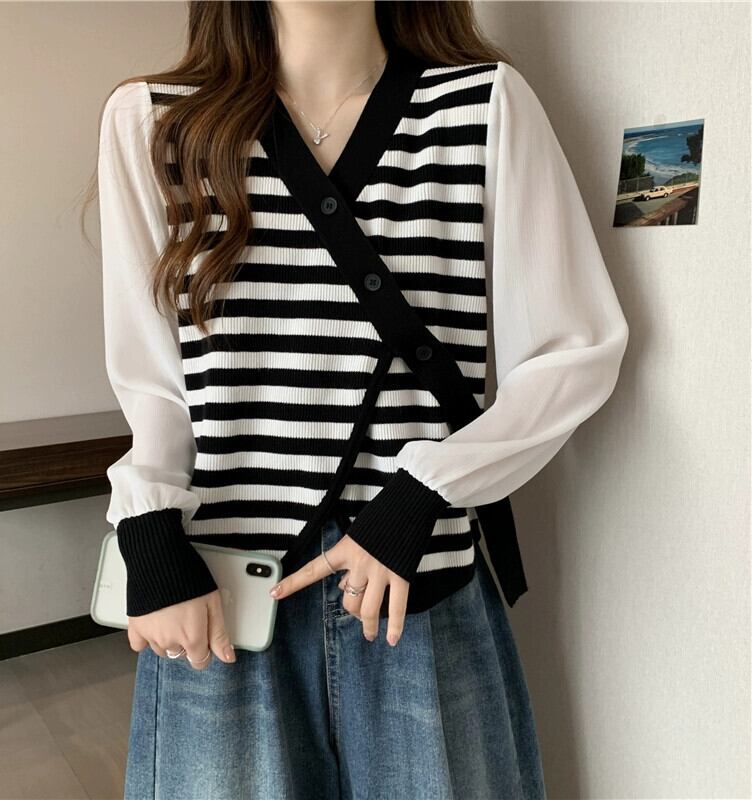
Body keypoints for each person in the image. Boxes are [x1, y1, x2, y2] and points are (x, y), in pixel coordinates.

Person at [94, 2, 629, 798]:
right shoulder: (155, 124)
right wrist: (148, 530)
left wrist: (423, 494)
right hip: (224, 590)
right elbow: (155, 383)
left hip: (414, 580)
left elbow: (572, 349)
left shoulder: (484, 106)